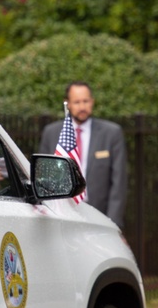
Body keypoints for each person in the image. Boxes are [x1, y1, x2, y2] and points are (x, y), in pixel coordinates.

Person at [40, 82, 128, 229]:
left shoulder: (111, 133)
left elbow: (118, 183)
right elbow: (44, 177)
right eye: (77, 102)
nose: (82, 107)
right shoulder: (52, 133)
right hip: (62, 215)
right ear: (68, 104)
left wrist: (113, 222)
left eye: (85, 101)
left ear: (92, 102)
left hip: (99, 216)